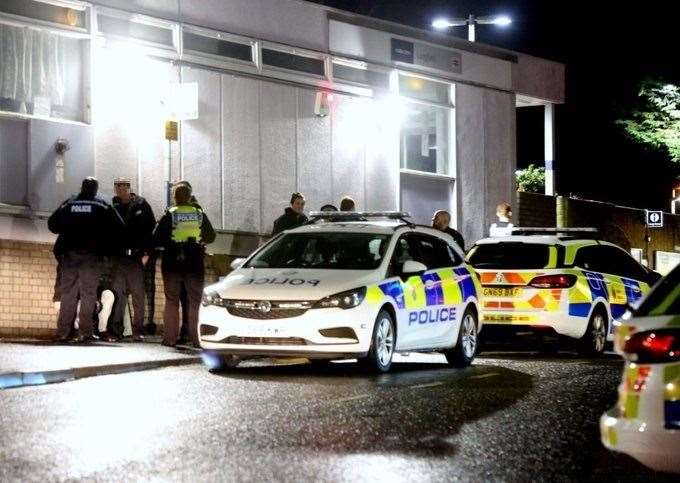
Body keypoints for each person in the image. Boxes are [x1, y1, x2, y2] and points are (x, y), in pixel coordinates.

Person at [48, 177, 124, 343]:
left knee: (67, 293)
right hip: (91, 255)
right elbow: (119, 227)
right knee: (89, 293)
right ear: (95, 189)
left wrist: (69, 228)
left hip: (69, 255)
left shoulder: (69, 203)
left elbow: (52, 224)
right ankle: (85, 332)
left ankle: (63, 332)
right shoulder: (102, 205)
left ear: (82, 187)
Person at [153, 183, 216, 348]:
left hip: (172, 263)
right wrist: (199, 242)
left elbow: (156, 237)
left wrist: (170, 243)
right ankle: (197, 340)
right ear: (189, 196)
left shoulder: (170, 214)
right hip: (194, 263)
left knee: (171, 301)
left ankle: (170, 339)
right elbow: (211, 235)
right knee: (195, 302)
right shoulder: (199, 214)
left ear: (175, 197)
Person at [106, 178, 156, 342]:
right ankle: (115, 330)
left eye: (123, 186)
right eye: (117, 187)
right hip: (119, 258)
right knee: (117, 296)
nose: (119, 189)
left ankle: (138, 331)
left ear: (129, 188)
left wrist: (147, 253)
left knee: (138, 296)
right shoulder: (113, 207)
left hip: (136, 257)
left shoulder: (141, 204)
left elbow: (150, 229)